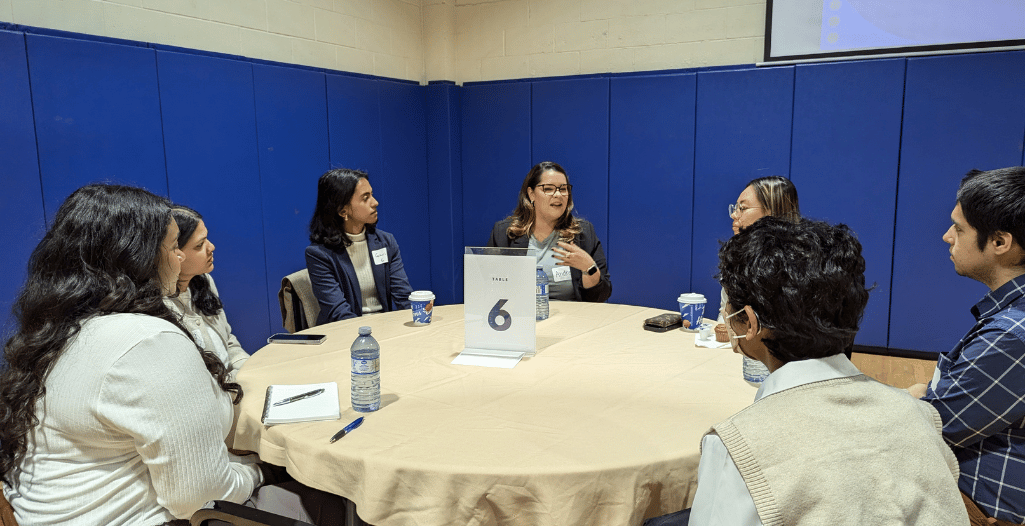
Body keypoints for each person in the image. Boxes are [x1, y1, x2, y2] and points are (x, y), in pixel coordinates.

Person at [649, 218, 969, 526]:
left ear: (750, 322)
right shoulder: (918, 416)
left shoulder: (737, 446)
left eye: (727, 304)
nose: (723, 313)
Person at [0, 184, 260, 526]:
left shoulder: (56, 329)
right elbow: (199, 499)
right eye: (172, 247)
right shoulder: (146, 340)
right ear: (135, 258)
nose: (181, 257)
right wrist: (258, 472)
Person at [908, 167, 1025, 525]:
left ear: (1000, 243)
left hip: (983, 509)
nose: (947, 237)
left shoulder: (1012, 334)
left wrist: (910, 397)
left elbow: (934, 427)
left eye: (959, 229)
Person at [486, 161, 611, 302]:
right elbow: (488, 287)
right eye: (548, 189)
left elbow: (601, 297)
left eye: (563, 189)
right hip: (520, 318)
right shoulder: (505, 233)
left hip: (572, 320)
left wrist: (589, 268)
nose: (558, 194)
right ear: (531, 194)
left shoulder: (583, 233)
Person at [720, 176, 803, 380]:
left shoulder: (796, 267)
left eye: (742, 208)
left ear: (772, 213)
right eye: (735, 206)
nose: (734, 214)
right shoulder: (739, 256)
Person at [306, 168, 413, 325]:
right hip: (345, 334)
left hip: (385, 329)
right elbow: (338, 313)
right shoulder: (318, 254)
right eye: (365, 198)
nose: (375, 202)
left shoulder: (386, 241)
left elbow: (403, 296)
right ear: (343, 211)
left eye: (372, 194)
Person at [166, 206, 248, 382]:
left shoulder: (204, 281)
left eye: (207, 239)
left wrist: (247, 367)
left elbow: (228, 341)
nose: (211, 247)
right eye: (199, 245)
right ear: (174, 253)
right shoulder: (163, 307)